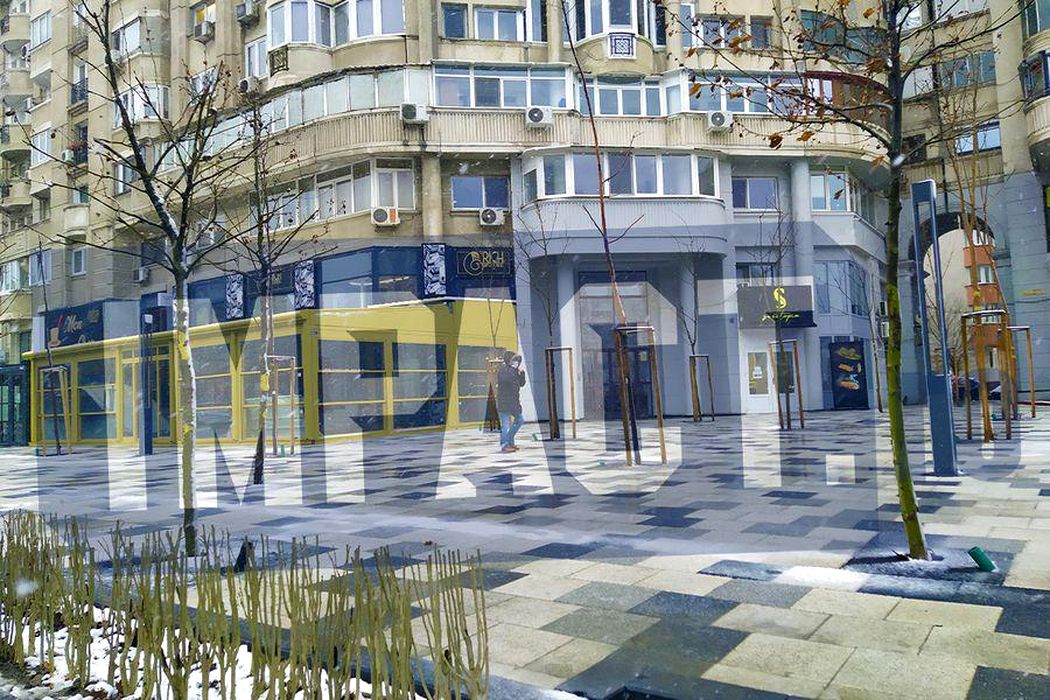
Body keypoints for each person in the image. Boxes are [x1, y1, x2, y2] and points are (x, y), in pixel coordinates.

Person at [496, 351, 526, 453]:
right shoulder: (503, 371)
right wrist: (514, 371)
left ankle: (510, 441)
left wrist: (522, 374)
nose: (516, 362)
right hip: (504, 402)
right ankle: (505, 445)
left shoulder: (515, 371)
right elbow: (507, 380)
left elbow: (521, 384)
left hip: (514, 402)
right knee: (505, 425)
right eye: (514, 360)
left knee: (519, 420)